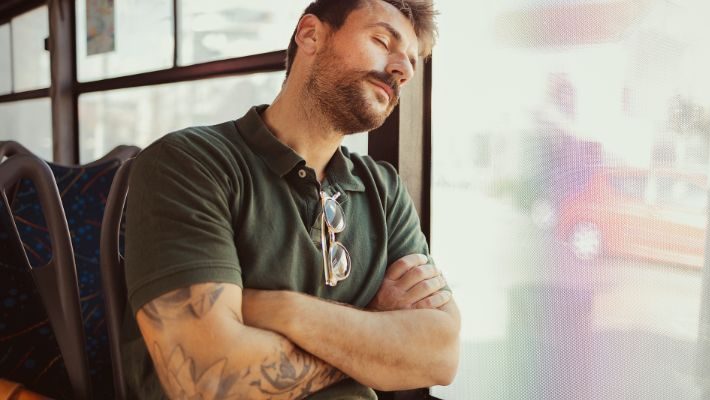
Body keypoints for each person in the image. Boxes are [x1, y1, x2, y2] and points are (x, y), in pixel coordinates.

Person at [122, 0, 461, 398]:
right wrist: (375, 333)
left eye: (412, 61)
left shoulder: (383, 188)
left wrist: (279, 309)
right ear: (310, 34)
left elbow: (440, 356)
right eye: (382, 40)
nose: (402, 69)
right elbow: (209, 382)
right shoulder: (190, 162)